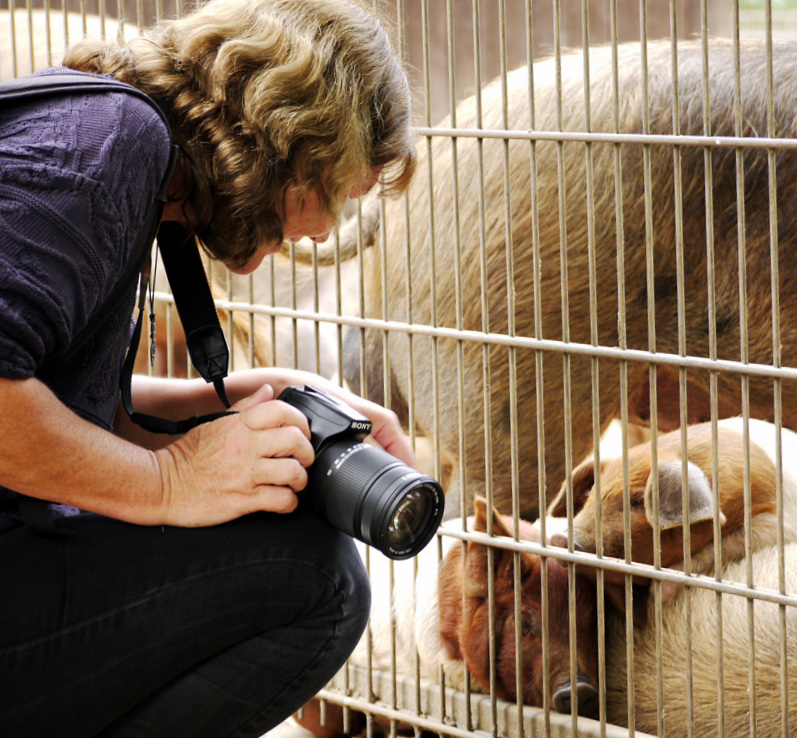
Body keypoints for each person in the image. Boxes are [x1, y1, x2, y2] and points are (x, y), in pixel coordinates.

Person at [0, 0, 416, 734]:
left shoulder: (118, 144)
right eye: (337, 196)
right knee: (315, 580)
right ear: (296, 140)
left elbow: (45, 387)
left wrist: (228, 399)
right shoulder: (113, 145)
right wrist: (171, 480)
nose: (320, 232)